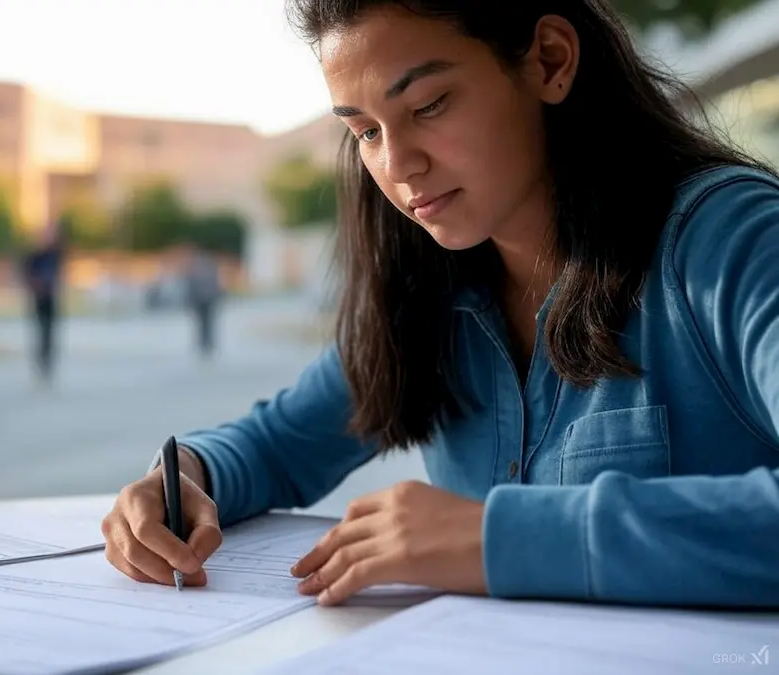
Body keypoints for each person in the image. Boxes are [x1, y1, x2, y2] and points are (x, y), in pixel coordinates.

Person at [102, 0, 779, 609]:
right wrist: (184, 477)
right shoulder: (433, 290)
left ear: (550, 60)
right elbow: (278, 445)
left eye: (428, 106)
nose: (397, 164)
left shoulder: (733, 239)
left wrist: (493, 536)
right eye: (366, 131)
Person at [23, 219, 64, 383]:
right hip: (39, 298)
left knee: (51, 333)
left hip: (52, 298)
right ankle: (40, 361)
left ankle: (48, 363)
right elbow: (27, 275)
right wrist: (36, 286)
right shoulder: (34, 257)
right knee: (40, 332)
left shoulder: (54, 255)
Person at [184, 246, 223, 357]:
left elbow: (190, 286)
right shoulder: (211, 268)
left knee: (203, 324)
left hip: (202, 300)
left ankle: (205, 343)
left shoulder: (195, 269)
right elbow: (217, 285)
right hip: (207, 300)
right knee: (207, 323)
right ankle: (207, 343)